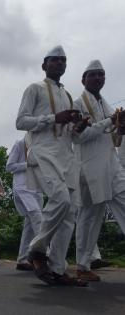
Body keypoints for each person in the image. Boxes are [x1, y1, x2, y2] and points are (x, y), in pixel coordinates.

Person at [16, 45, 88, 286]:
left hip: (65, 155)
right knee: (61, 200)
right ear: (44, 65)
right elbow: (21, 121)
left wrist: (78, 127)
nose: (60, 64)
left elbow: (71, 135)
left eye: (63, 61)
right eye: (54, 60)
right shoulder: (34, 88)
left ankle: (57, 268)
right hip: (44, 151)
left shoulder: (68, 96)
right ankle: (37, 250)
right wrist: (52, 118)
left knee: (70, 212)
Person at [72, 60, 125, 281]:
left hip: (111, 165)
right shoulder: (77, 104)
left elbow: (114, 138)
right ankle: (83, 266)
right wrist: (108, 122)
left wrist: (120, 127)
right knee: (90, 216)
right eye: (93, 75)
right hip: (89, 167)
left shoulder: (107, 105)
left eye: (101, 74)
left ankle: (84, 265)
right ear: (83, 79)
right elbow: (78, 136)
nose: (98, 78)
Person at [6, 135, 43, 271]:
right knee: (37, 217)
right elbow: (9, 166)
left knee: (29, 224)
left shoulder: (41, 143)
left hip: (37, 187)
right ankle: (46, 255)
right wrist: (27, 164)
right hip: (22, 187)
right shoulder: (20, 143)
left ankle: (22, 260)